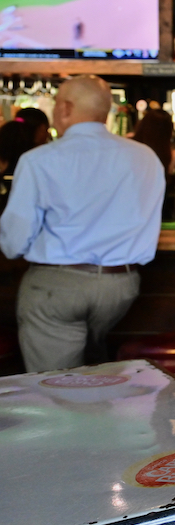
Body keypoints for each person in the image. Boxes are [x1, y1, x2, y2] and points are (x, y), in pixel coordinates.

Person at [0, 75, 165, 372]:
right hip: (121, 288)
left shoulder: (39, 160)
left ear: (64, 108)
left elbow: (13, 241)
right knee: (96, 376)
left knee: (56, 388)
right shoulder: (146, 157)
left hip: (59, 288)